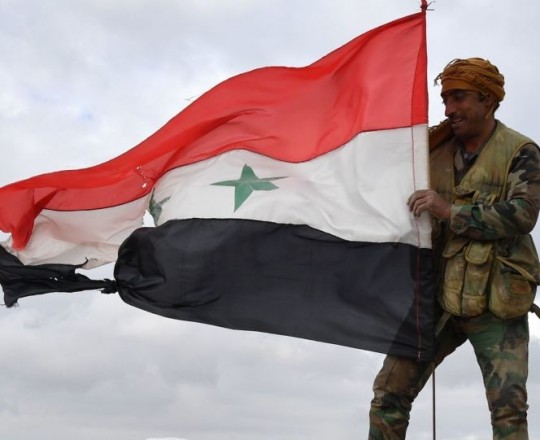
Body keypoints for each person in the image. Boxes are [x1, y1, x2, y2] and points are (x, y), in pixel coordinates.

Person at [368, 58, 540, 439]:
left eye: (458, 97)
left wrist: (450, 211)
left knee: (509, 411)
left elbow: (523, 214)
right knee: (389, 395)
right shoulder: (431, 152)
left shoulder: (520, 151)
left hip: (497, 299)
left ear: (488, 100)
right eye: (445, 99)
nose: (448, 109)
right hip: (437, 297)